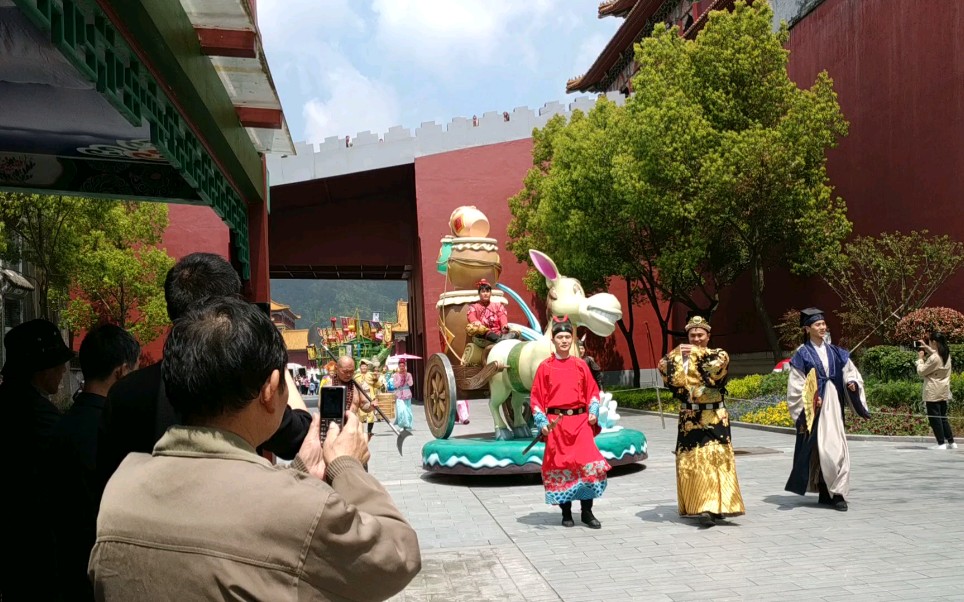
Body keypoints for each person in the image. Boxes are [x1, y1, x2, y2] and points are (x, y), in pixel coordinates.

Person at [89, 297, 421, 600]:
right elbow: (397, 557)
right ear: (271, 389)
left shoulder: (120, 488)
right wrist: (347, 467)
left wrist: (298, 475)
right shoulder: (303, 510)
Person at [99, 252, 311, 490]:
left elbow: (108, 477)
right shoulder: (240, 388)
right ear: (229, 312)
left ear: (171, 310)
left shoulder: (124, 393)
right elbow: (297, 437)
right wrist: (273, 363)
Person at [46, 324, 140, 601]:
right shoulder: (120, 432)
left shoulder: (60, 426)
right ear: (121, 371)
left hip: (64, 566)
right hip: (107, 571)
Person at [0, 319, 74, 600]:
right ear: (41, 369)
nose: (63, 370)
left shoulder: (9, 402)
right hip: (35, 543)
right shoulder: (40, 418)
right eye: (58, 364)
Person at [658, 314, 744, 526]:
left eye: (700, 335)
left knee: (717, 458)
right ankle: (701, 505)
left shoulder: (718, 354)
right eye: (692, 335)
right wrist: (675, 358)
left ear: (708, 336)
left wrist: (696, 353)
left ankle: (722, 504)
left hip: (715, 415)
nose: (696, 339)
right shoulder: (678, 357)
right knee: (694, 460)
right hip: (689, 416)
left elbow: (715, 372)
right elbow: (665, 368)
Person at [785, 308, 870, 511]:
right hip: (817, 409)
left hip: (835, 405)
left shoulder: (836, 352)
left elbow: (851, 373)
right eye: (817, 325)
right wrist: (811, 399)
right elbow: (796, 385)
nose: (822, 327)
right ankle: (825, 489)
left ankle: (838, 492)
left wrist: (852, 384)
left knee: (837, 449)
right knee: (819, 451)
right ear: (807, 329)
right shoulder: (802, 354)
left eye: (823, 324)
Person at [530, 316, 609, 529]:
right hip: (558, 424)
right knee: (561, 465)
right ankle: (566, 513)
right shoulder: (545, 367)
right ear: (553, 341)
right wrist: (541, 421)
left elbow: (592, 392)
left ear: (572, 340)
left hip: (581, 422)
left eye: (567, 337)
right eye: (560, 337)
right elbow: (536, 399)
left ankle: (587, 511)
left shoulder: (581, 365)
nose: (564, 341)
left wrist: (593, 411)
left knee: (587, 464)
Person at [917, 331, 957, 449]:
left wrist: (920, 359)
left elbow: (921, 371)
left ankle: (941, 443)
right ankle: (951, 442)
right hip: (943, 390)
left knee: (935, 418)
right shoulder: (946, 354)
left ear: (934, 342)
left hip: (932, 391)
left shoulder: (934, 358)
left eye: (930, 341)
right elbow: (936, 355)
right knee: (943, 417)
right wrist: (927, 347)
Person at [467, 279, 518, 344]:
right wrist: (475, 321)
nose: (485, 294)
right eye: (483, 291)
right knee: (482, 331)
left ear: (490, 293)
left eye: (487, 291)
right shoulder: (474, 307)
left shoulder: (497, 305)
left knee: (516, 332)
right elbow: (471, 315)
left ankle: (502, 338)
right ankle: (500, 340)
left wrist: (504, 325)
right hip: (484, 334)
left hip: (498, 332)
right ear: (479, 294)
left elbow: (502, 315)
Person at [354, 360, 377, 436]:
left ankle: (369, 431)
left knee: (371, 414)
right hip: (360, 396)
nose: (363, 367)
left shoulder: (371, 375)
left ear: (367, 367)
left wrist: (376, 379)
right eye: (362, 366)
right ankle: (360, 431)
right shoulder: (356, 376)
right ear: (360, 367)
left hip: (370, 395)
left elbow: (377, 385)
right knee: (360, 414)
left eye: (365, 366)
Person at [392, 359, 415, 431]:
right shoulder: (395, 375)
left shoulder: (408, 374)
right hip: (399, 395)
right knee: (401, 410)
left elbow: (411, 384)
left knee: (408, 411)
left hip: (407, 394)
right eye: (400, 366)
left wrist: (407, 379)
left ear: (405, 366)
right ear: (398, 366)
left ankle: (408, 425)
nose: (402, 367)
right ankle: (402, 425)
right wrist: (400, 380)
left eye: (403, 366)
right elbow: (395, 385)